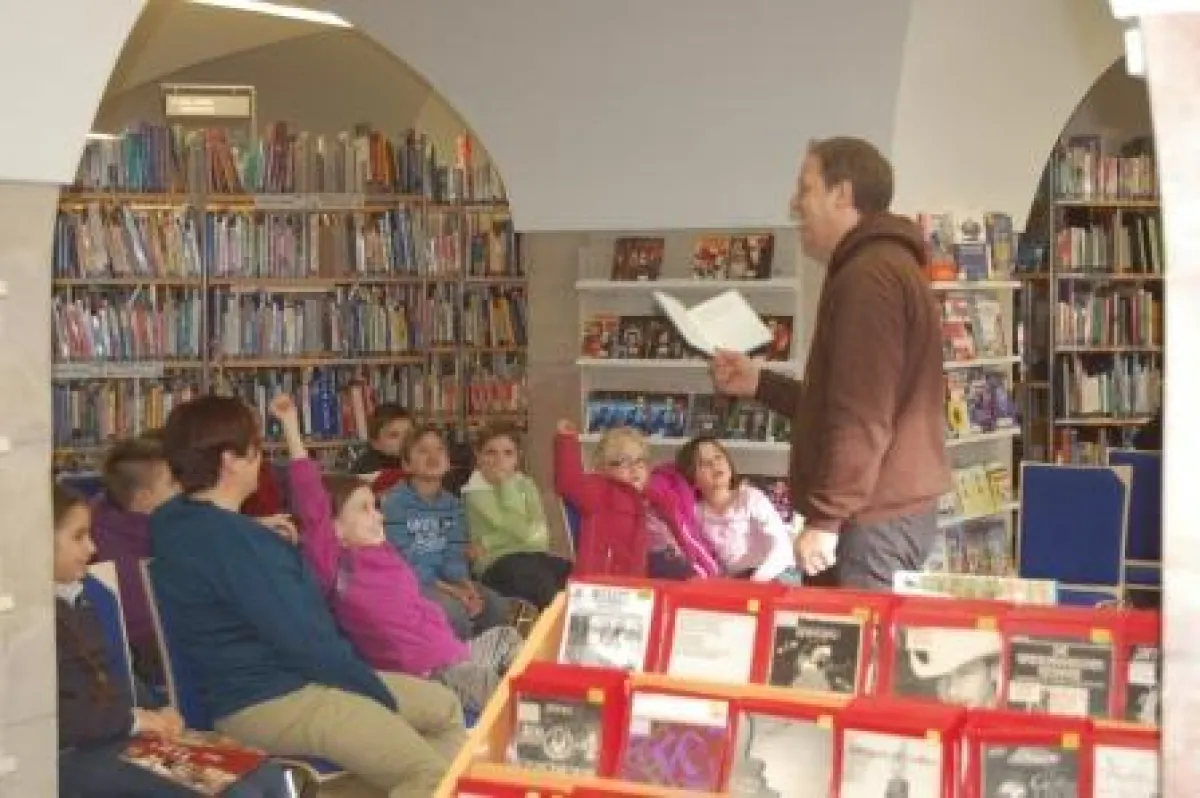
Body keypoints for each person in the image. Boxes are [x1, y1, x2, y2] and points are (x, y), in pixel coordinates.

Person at [149, 394, 466, 798]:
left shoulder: (176, 523)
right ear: (230, 460)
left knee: (443, 707)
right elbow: (307, 642)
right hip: (277, 697)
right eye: (257, 450)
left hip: (267, 688)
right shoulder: (243, 546)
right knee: (430, 774)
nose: (262, 461)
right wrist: (371, 691)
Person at [711, 136, 950, 590]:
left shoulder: (868, 278)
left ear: (842, 194)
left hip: (870, 523)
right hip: (880, 516)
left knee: (852, 655)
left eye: (805, 188)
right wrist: (760, 383)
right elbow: (843, 403)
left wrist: (826, 519)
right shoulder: (881, 267)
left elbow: (863, 415)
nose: (794, 203)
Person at [268, 394, 523, 714]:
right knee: (503, 692)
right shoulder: (337, 566)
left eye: (375, 507)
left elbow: (419, 601)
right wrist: (291, 427)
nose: (377, 516)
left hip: (454, 653)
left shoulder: (384, 551)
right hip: (429, 674)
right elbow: (311, 503)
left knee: (508, 639)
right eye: (364, 510)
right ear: (335, 528)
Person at [53, 482, 297, 797]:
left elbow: (117, 674)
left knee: (266, 775)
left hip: (116, 737)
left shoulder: (81, 599)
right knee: (235, 792)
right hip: (69, 757)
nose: (91, 548)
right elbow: (56, 718)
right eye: (78, 536)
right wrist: (134, 721)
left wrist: (160, 711)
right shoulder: (23, 626)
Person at [381, 424, 512, 640]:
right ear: (406, 464)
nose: (433, 456)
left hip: (445, 581)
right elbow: (406, 561)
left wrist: (465, 585)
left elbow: (455, 552)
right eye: (423, 450)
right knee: (454, 612)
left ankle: (485, 663)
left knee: (495, 605)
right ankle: (456, 667)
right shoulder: (395, 504)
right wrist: (452, 591)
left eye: (439, 449)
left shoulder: (453, 504)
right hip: (412, 582)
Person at [553, 421, 699, 579]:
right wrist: (566, 440)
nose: (634, 468)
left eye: (640, 461)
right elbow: (569, 482)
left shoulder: (656, 501)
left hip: (649, 582)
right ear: (603, 468)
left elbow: (679, 537)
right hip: (607, 584)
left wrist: (690, 561)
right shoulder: (601, 491)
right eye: (623, 462)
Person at [90, 433, 179, 684]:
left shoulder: (104, 518)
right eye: (173, 483)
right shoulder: (157, 537)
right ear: (143, 498)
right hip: (153, 652)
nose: (183, 488)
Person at [463, 422, 572, 610]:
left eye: (508, 453)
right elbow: (518, 527)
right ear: (478, 455)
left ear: (517, 457)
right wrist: (506, 485)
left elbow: (541, 537)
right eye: (491, 452)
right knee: (541, 584)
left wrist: (488, 542)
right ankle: (550, 633)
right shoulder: (475, 490)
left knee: (572, 575)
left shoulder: (526, 484)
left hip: (533, 555)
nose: (500, 460)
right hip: (495, 563)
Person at [675, 435, 797, 581]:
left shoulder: (750, 498)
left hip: (773, 572)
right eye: (703, 463)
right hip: (730, 581)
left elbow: (782, 547)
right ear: (691, 477)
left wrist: (755, 582)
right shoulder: (696, 512)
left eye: (718, 457)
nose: (715, 464)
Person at [350, 403, 413, 475]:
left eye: (409, 433)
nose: (405, 439)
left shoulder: (412, 459)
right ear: (375, 443)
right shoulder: (370, 467)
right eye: (394, 435)